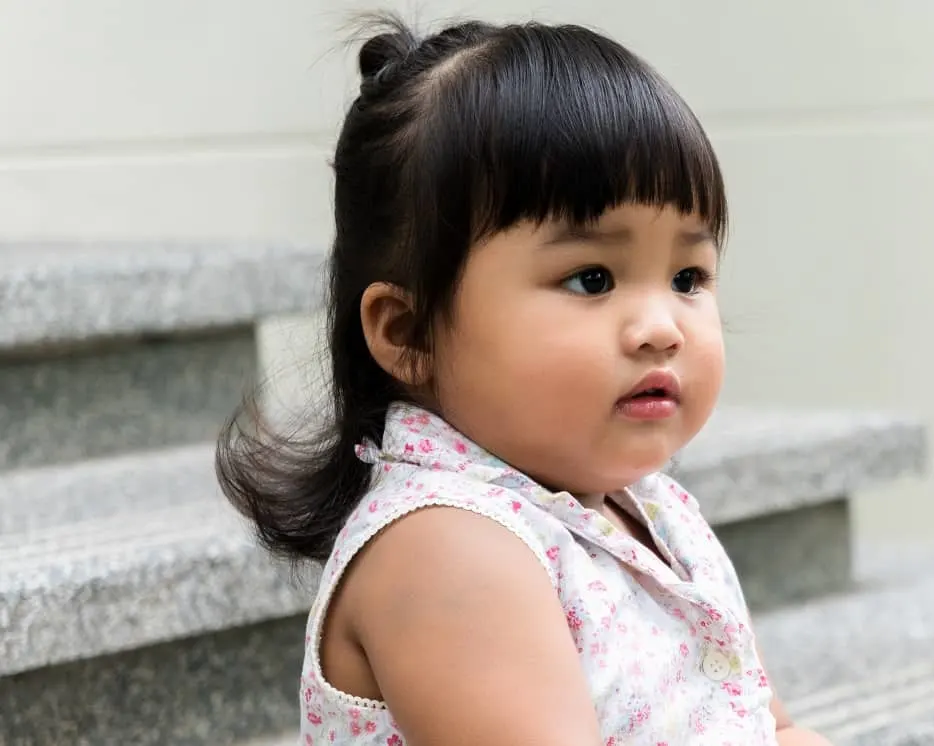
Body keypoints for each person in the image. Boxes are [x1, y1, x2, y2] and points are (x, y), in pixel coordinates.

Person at [217, 12, 832, 746]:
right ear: (409, 333)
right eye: (592, 277)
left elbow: (769, 726)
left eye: (687, 275)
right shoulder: (446, 546)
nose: (662, 325)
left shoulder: (656, 512)